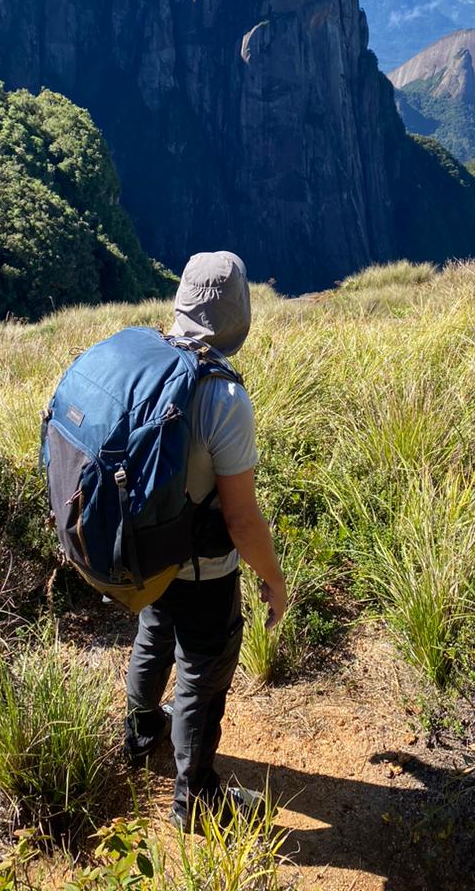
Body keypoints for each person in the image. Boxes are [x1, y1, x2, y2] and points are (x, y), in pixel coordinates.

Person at [123, 250, 288, 829]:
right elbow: (241, 521)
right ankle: (195, 798)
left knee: (153, 633)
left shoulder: (144, 363)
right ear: (236, 312)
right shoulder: (223, 397)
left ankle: (142, 730)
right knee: (202, 673)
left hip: (147, 553)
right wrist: (274, 580)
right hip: (204, 570)